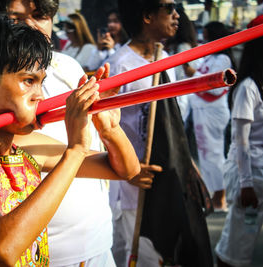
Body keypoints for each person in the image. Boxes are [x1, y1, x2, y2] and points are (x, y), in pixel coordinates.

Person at [0, 15, 140, 266]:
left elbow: (126, 169)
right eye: (28, 81)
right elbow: (2, 250)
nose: (39, 95)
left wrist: (109, 130)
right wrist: (74, 150)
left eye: (41, 83)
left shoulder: (27, 146)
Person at [107, 0, 213, 266]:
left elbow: (170, 119)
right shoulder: (119, 65)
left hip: (165, 179)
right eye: (169, 8)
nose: (177, 15)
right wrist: (128, 170)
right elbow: (104, 129)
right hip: (133, 189)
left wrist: (186, 162)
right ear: (147, 16)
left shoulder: (164, 58)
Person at [215, 13, 263, 267]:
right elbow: (240, 142)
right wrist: (246, 183)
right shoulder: (248, 88)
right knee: (237, 247)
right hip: (250, 175)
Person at [188, 21, 235, 211]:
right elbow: (194, 79)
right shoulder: (208, 58)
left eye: (206, 33)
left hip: (213, 110)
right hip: (201, 110)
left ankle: (221, 196)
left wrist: (196, 81)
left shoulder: (223, 59)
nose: (203, 37)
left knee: (214, 154)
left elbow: (216, 89)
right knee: (204, 155)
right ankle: (211, 195)